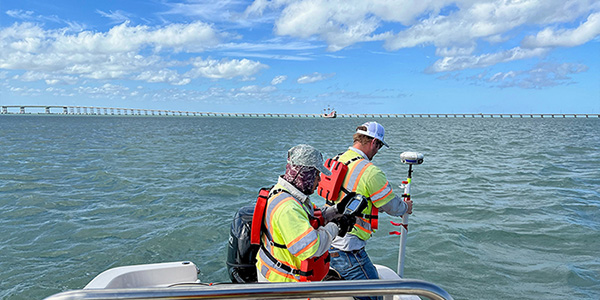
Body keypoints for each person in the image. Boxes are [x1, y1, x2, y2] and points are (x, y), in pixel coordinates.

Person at [327, 122, 413, 300]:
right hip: (349, 249)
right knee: (375, 295)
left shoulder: (338, 159)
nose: (378, 150)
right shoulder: (370, 172)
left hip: (328, 240)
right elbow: (392, 206)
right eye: (379, 145)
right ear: (373, 142)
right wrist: (406, 207)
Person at [256, 144, 356, 282]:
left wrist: (336, 210)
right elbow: (311, 248)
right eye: (317, 175)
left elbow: (311, 216)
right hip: (280, 282)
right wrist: (335, 227)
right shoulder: (287, 208)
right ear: (305, 175)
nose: (319, 180)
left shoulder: (288, 193)